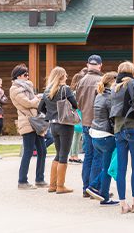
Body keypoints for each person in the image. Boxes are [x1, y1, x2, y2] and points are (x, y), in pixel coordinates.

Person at [110, 61, 134, 213]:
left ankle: (123, 204)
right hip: (133, 128)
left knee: (121, 169)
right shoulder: (132, 83)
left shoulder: (113, 87)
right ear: (132, 71)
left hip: (118, 130)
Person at [39, 66, 78, 194]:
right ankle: (60, 186)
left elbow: (40, 108)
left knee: (58, 153)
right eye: (65, 75)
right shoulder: (65, 89)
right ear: (62, 76)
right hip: (65, 125)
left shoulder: (47, 91)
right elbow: (75, 105)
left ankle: (52, 185)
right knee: (63, 155)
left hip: (53, 125)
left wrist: (51, 114)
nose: (67, 77)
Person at [9, 63, 47, 190]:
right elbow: (27, 103)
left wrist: (36, 99)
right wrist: (38, 98)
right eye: (26, 74)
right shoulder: (14, 89)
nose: (28, 76)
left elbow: (33, 103)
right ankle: (22, 181)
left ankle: (40, 179)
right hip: (27, 122)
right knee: (28, 152)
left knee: (43, 151)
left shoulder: (28, 87)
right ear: (19, 76)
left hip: (36, 121)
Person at [85, 71, 119, 206]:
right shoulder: (110, 97)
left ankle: (104, 195)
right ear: (112, 82)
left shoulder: (99, 95)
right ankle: (94, 186)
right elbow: (114, 116)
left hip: (96, 135)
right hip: (106, 136)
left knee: (103, 166)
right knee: (108, 168)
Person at [76, 55, 103, 197]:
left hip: (85, 121)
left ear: (88, 65)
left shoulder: (81, 81)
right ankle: (94, 188)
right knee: (98, 156)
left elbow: (77, 103)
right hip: (98, 123)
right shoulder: (100, 81)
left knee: (88, 156)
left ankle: (85, 188)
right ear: (99, 66)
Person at [69, 68, 88, 164]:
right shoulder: (78, 92)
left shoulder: (72, 91)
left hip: (74, 115)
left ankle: (72, 155)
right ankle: (74, 156)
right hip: (79, 115)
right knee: (78, 135)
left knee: (75, 136)